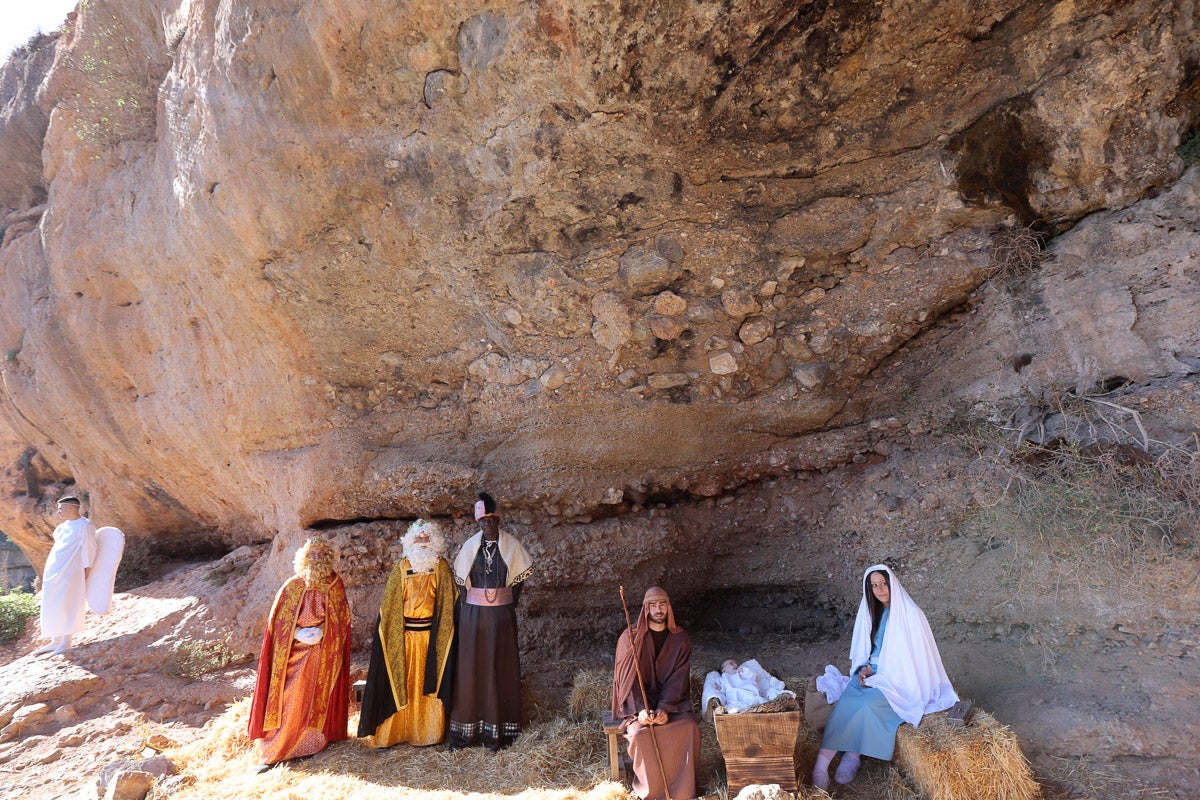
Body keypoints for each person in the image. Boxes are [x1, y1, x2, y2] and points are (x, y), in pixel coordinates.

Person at [812, 564, 958, 790]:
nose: (880, 590)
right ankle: (821, 766)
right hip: (877, 674)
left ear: (892, 585)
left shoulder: (911, 615)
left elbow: (916, 661)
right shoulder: (874, 613)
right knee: (850, 697)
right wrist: (867, 668)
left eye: (884, 584)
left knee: (866, 704)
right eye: (874, 585)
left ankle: (853, 754)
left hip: (903, 679)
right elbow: (873, 652)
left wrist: (884, 674)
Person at [248, 537, 351, 769]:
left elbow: (342, 618)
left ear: (328, 558)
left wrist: (323, 631)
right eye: (312, 554)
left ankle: (310, 745)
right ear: (304, 557)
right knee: (288, 699)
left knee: (314, 698)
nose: (316, 559)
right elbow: (277, 623)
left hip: (322, 654)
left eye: (321, 555)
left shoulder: (335, 584)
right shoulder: (292, 586)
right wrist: (297, 633)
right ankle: (276, 751)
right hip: (292, 655)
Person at [447, 491, 534, 750]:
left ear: (498, 521)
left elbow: (518, 583)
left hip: (502, 617)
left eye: (492, 520)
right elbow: (461, 584)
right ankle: (469, 731)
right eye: (483, 521)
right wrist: (475, 606)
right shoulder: (469, 548)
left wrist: (503, 604)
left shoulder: (513, 547)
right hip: (473, 618)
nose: (488, 524)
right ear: (479, 523)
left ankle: (501, 731)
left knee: (501, 666)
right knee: (472, 666)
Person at [358, 519, 457, 746]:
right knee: (402, 683)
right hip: (405, 639)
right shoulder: (401, 568)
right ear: (410, 542)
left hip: (432, 640)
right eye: (418, 538)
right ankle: (397, 732)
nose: (423, 542)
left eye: (427, 538)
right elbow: (390, 607)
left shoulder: (441, 567)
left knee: (429, 683)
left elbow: (450, 604)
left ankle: (427, 734)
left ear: (435, 541)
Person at [612, 586, 701, 800]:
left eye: (662, 605)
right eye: (653, 605)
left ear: (668, 608)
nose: (658, 610)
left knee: (689, 728)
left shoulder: (681, 639)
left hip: (672, 703)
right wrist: (641, 710)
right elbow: (626, 681)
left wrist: (664, 708)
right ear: (646, 609)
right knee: (640, 734)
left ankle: (682, 792)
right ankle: (651, 793)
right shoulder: (630, 638)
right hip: (637, 706)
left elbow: (679, 679)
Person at [33, 495, 98, 656]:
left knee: (68, 603)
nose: (59, 512)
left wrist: (87, 569)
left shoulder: (85, 525)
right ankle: (55, 640)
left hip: (72, 571)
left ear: (71, 508)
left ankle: (66, 642)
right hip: (55, 571)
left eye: (61, 508)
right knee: (52, 602)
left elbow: (89, 548)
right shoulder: (62, 528)